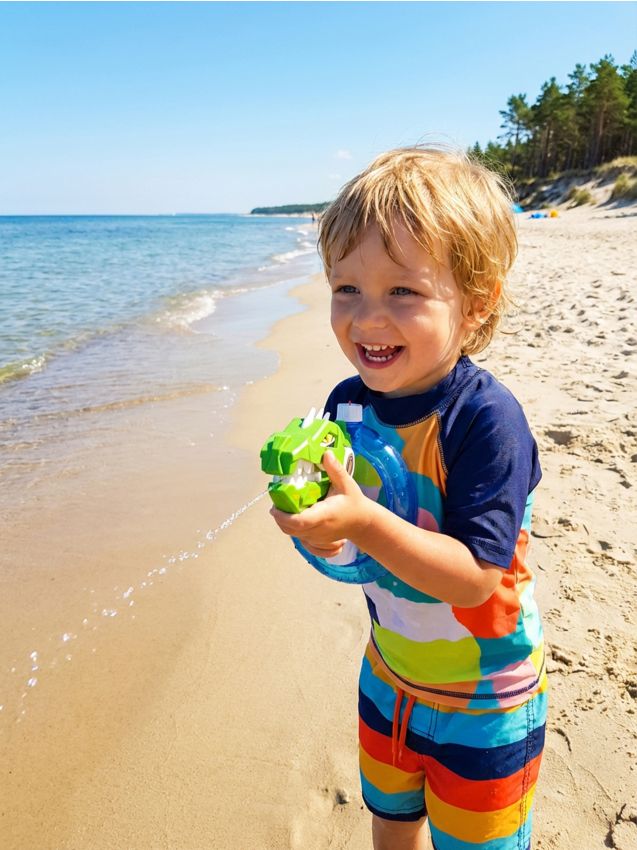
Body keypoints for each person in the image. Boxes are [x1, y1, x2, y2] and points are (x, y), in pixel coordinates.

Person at [270, 146, 547, 850]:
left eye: (402, 292)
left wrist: (361, 520)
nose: (366, 320)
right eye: (346, 289)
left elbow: (473, 575)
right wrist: (321, 533)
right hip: (389, 674)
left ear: (474, 302)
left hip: (484, 700)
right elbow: (348, 543)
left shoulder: (486, 421)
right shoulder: (346, 407)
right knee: (391, 821)